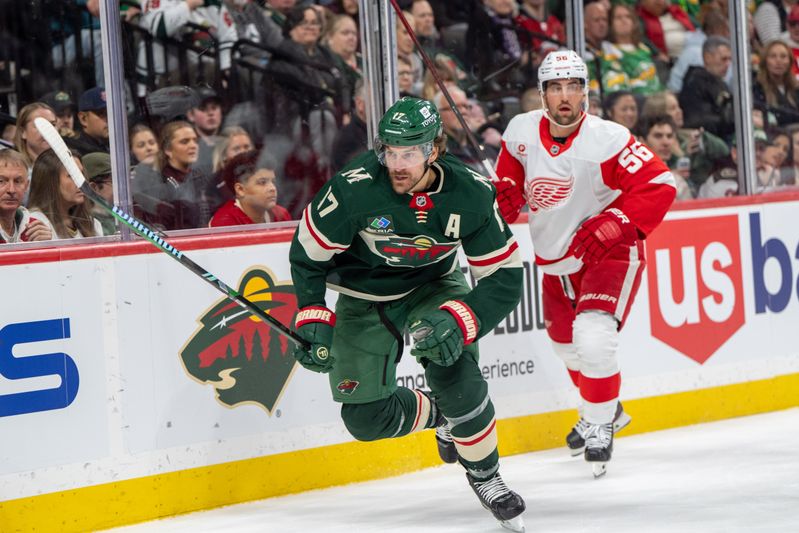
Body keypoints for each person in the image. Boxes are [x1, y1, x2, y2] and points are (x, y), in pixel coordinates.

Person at [288, 96, 526, 531]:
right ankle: (443, 416)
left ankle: (487, 477)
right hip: (362, 297)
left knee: (454, 367)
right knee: (365, 419)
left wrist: (459, 318)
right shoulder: (353, 188)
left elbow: (506, 277)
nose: (397, 164)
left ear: (433, 150)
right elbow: (307, 257)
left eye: (410, 153)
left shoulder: (470, 192)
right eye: (390, 152)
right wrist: (312, 313)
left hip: (433, 286)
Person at [493, 51, 676, 477]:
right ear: (541, 94)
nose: (564, 96)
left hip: (608, 250)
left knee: (593, 338)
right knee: (564, 344)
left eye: (573, 86)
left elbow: (659, 184)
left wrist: (618, 222)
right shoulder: (521, 131)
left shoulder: (606, 139)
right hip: (558, 257)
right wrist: (503, 192)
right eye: (555, 87)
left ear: (586, 93)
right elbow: (509, 176)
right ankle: (607, 408)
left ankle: (597, 424)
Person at [28, 149, 103, 240]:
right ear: (50, 182)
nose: (81, 182)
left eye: (81, 174)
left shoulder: (93, 225)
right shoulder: (36, 224)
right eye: (71, 175)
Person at [209, 150, 290, 227]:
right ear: (240, 189)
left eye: (273, 181)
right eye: (262, 182)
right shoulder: (224, 222)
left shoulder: (282, 215)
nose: (272, 188)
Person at [679, 36, 734, 140]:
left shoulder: (721, 84)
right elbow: (699, 121)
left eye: (729, 59)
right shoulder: (694, 83)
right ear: (707, 57)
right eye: (723, 59)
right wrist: (731, 120)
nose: (727, 64)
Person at [0, 149, 52, 244]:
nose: (11, 190)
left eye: (18, 181)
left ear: (26, 186)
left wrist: (45, 246)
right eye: (1, 181)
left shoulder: (36, 228)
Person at [66, 86, 110, 156]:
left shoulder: (114, 145)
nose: (109, 119)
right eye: (101, 113)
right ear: (83, 119)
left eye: (112, 113)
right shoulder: (76, 151)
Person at [82, 151, 117, 236]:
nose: (123, 187)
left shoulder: (121, 215)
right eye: (115, 181)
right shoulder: (89, 224)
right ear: (94, 188)